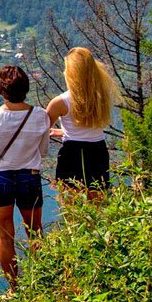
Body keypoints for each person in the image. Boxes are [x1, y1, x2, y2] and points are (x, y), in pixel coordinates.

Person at [0, 65, 50, 290]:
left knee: (5, 236)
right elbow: (44, 150)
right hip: (30, 177)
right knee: (35, 232)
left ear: (1, 90)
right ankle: (40, 285)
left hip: (0, 180)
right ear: (25, 87)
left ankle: (14, 289)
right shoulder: (40, 116)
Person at [45, 47, 118, 197]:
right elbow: (88, 128)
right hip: (99, 151)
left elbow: (42, 130)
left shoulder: (60, 102)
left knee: (71, 207)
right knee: (98, 204)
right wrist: (65, 132)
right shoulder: (104, 96)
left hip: (72, 154)